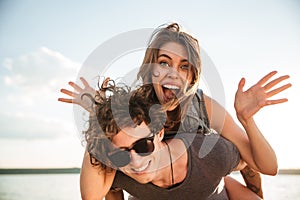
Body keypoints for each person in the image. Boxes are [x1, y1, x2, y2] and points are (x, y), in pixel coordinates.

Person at [58, 23, 291, 199]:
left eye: (184, 66)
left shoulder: (203, 105)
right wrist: (98, 114)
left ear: (192, 76)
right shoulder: (133, 111)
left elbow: (267, 166)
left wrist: (246, 120)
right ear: (150, 69)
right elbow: (94, 193)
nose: (173, 73)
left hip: (207, 181)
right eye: (164, 63)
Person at [80, 83, 252, 199]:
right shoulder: (119, 168)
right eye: (119, 154)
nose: (135, 160)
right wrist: (97, 114)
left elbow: (248, 161)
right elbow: (92, 196)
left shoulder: (211, 152)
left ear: (159, 133)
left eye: (142, 146)